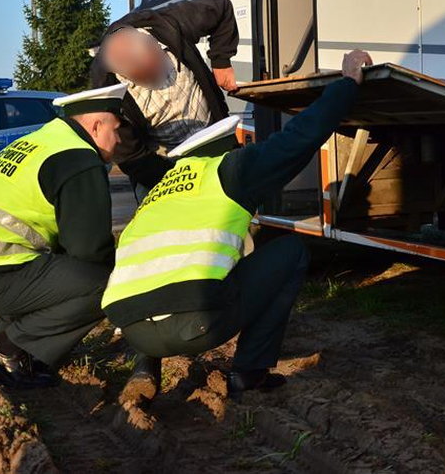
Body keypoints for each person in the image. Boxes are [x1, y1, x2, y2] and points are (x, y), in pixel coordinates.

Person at [101, 50, 373, 401]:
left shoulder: (167, 186)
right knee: (290, 251)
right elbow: (301, 136)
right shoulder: (230, 171)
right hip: (191, 325)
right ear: (227, 148)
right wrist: (348, 83)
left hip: (133, 331)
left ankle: (144, 369)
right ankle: (249, 372)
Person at [0, 84, 127, 389]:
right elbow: (89, 252)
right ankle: (7, 349)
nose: (119, 141)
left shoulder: (40, 140)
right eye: (116, 130)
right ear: (97, 124)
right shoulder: (79, 158)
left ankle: (10, 342)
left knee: (59, 274)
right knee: (107, 283)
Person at [90, 0, 240, 192]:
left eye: (158, 69)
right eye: (147, 79)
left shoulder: (167, 24)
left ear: (155, 44)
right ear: (121, 73)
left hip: (216, 142)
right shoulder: (104, 83)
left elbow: (222, 8)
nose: (158, 80)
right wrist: (172, 179)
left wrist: (221, 62)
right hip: (163, 161)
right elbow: (128, 153)